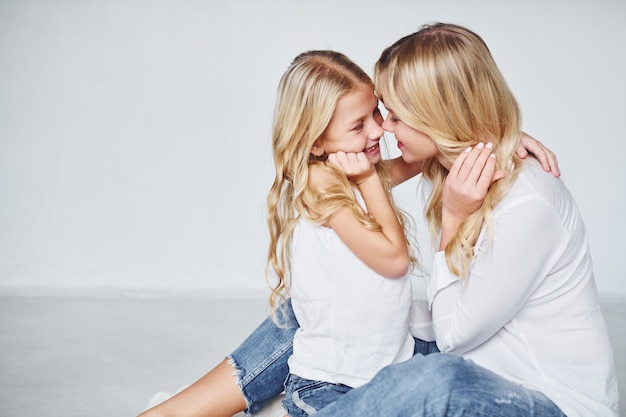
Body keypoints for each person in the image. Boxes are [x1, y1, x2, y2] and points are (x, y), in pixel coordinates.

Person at [137, 24, 585, 417]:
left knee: (433, 379)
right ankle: (180, 410)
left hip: (534, 397)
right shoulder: (438, 174)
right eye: (373, 117)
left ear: (437, 118)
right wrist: (493, 136)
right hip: (470, 360)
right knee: (313, 313)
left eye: (391, 114)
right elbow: (419, 171)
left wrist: (469, 185)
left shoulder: (524, 203)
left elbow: (451, 340)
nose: (383, 129)